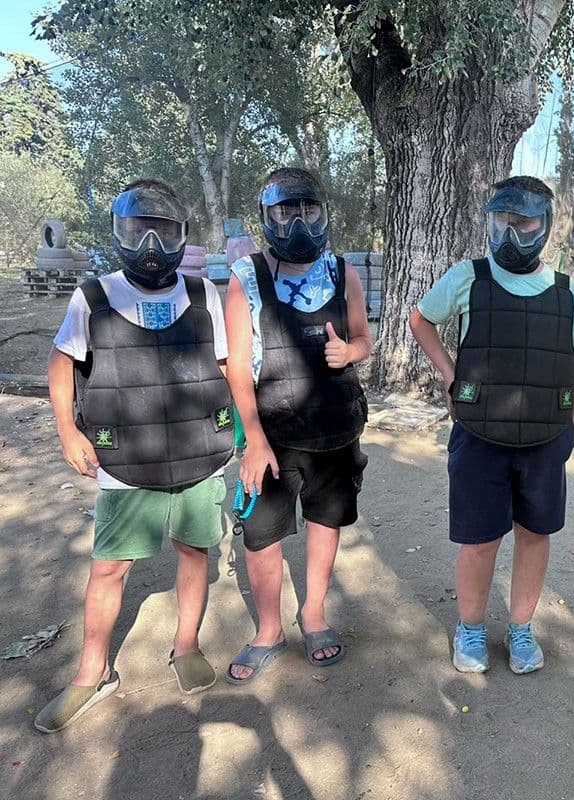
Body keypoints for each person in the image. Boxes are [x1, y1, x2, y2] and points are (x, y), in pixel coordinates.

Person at [37, 180, 233, 732]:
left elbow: (223, 366)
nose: (151, 243)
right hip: (125, 458)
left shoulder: (203, 294)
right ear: (117, 233)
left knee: (194, 551)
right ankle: (91, 673)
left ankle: (186, 645)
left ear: (181, 235)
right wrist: (67, 432)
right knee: (109, 567)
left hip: (198, 452)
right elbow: (61, 362)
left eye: (163, 231)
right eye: (137, 229)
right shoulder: (94, 297)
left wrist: (241, 433)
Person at [410, 176, 574, 674]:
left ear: (545, 226)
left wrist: (573, 427)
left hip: (546, 439)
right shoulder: (467, 277)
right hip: (479, 437)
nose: (511, 233)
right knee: (480, 539)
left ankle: (521, 629)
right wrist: (450, 375)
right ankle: (470, 629)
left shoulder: (567, 292)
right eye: (502, 221)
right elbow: (421, 320)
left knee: (534, 535)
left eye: (524, 223)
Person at [224, 167, 372, 683]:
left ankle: (313, 614)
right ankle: (268, 631)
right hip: (272, 438)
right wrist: (254, 441)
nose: (299, 223)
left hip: (335, 431)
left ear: (324, 213)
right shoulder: (245, 277)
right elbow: (237, 367)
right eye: (286, 213)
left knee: (326, 522)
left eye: (309, 211)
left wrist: (348, 351)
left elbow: (364, 339)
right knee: (261, 534)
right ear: (268, 217)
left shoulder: (343, 272)